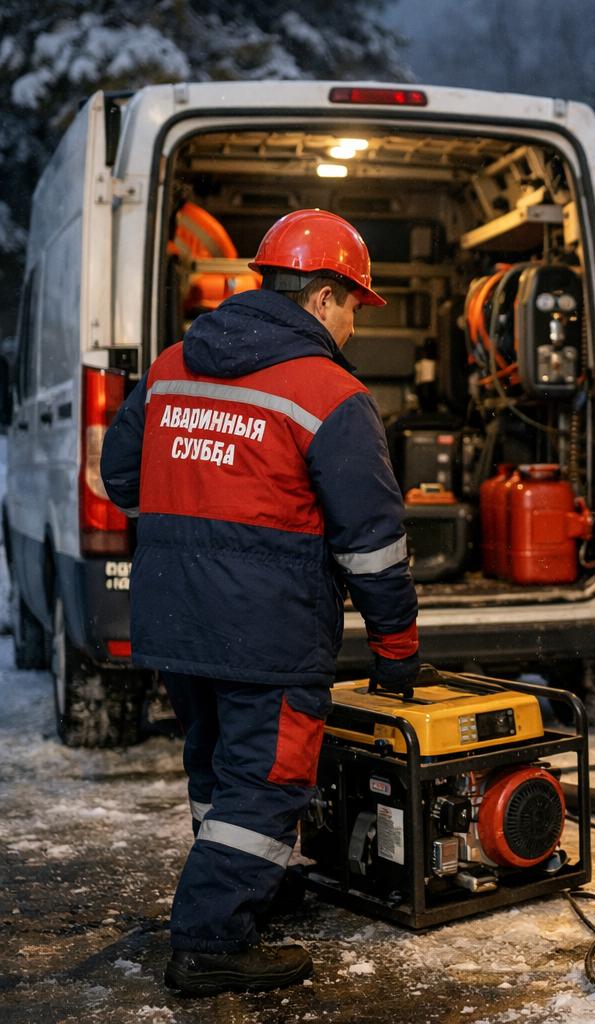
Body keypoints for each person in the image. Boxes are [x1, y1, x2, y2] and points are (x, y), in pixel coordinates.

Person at [101, 209, 420, 995]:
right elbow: (372, 545)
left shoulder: (173, 365)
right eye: (353, 306)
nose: (353, 325)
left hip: (173, 618)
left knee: (216, 765)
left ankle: (251, 888)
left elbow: (120, 477)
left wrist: (188, 537)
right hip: (267, 629)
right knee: (266, 780)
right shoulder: (330, 393)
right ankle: (210, 939)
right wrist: (397, 649)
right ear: (321, 297)